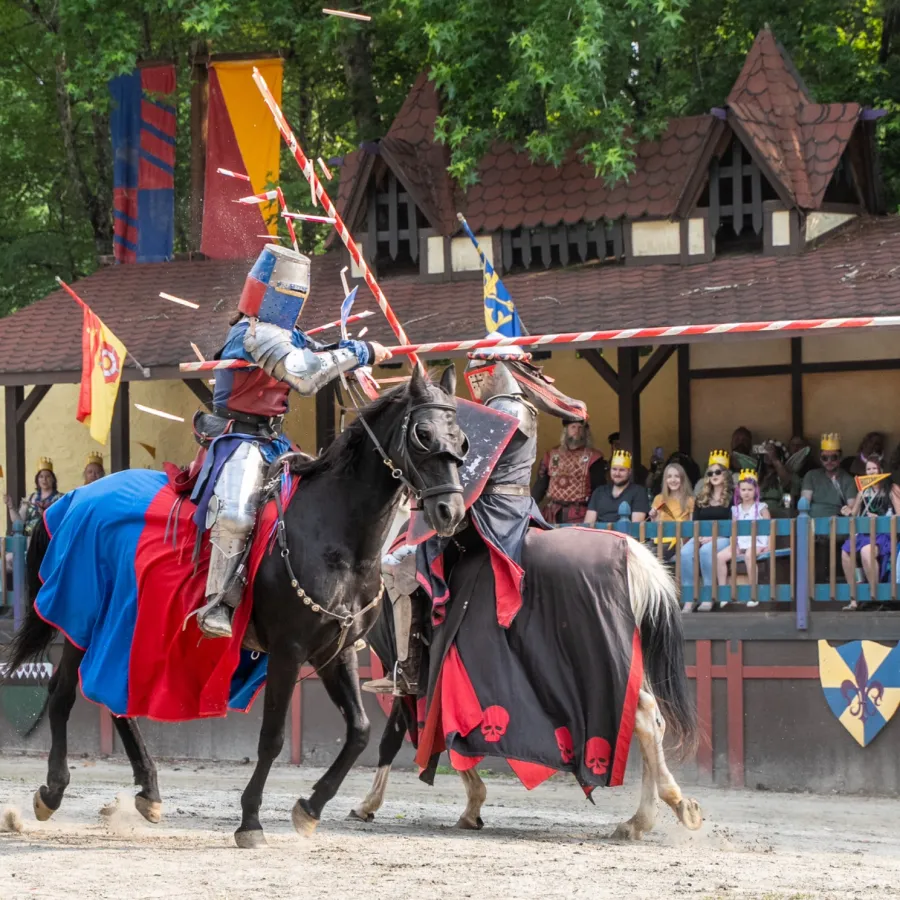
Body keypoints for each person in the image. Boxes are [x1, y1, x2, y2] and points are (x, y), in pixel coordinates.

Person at [189, 245, 391, 639]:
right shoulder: (252, 334)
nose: (291, 301)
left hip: (275, 442)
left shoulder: (288, 335)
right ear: (264, 291)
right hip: (239, 438)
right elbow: (305, 373)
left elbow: (323, 355)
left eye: (297, 294)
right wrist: (361, 350)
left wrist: (356, 359)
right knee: (236, 515)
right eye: (286, 293)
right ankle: (217, 601)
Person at [363, 345, 590, 696]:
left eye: (479, 374)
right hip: (517, 506)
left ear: (495, 371)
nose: (477, 383)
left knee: (400, 568)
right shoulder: (518, 406)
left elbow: (469, 473)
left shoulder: (503, 407)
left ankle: (408, 670)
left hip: (490, 512)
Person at [680, 450, 733, 611]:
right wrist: (701, 536)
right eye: (710, 473)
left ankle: (708, 597)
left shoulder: (733, 496)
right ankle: (690, 598)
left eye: (718, 472)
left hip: (724, 536)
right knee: (684, 552)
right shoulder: (701, 497)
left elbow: (733, 522)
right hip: (701, 535)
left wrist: (713, 537)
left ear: (726, 474)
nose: (714, 475)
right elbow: (695, 521)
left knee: (706, 552)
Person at [841, 456, 897, 610]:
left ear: (881, 470)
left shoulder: (891, 489)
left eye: (874, 468)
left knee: (866, 551)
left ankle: (875, 596)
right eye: (868, 469)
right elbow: (855, 514)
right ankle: (854, 598)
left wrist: (880, 519)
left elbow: (899, 515)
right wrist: (847, 512)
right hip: (865, 533)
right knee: (845, 552)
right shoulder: (863, 491)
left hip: (883, 534)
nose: (871, 471)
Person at [532, 419, 605, 523]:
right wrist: (528, 506)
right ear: (566, 430)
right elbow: (541, 485)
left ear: (585, 432)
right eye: (573, 427)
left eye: (580, 428)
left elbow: (598, 490)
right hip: (553, 513)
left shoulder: (594, 457)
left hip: (580, 514)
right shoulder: (551, 455)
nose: (577, 430)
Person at [715, 469, 770, 606]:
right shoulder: (736, 509)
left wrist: (769, 545)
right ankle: (724, 593)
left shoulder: (762, 507)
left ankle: (753, 594)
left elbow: (770, 528)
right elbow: (734, 530)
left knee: (749, 556)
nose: (746, 492)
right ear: (738, 490)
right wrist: (733, 544)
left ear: (756, 491)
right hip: (741, 543)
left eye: (750, 489)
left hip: (757, 542)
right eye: (743, 489)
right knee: (720, 557)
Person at [583, 450, 649, 525]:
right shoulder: (599, 492)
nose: (617, 473)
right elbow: (588, 524)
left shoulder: (638, 492)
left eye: (622, 470)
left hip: (625, 535)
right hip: (600, 535)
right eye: (614, 469)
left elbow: (635, 527)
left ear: (629, 472)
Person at [801, 434, 857, 519]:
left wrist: (844, 513)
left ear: (840, 458)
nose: (829, 461)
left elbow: (852, 508)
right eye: (825, 458)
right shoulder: (811, 476)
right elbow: (804, 503)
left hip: (836, 524)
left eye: (834, 457)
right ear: (820, 459)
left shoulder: (848, 480)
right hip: (811, 524)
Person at [5, 457, 63, 538]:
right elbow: (19, 522)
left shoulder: (60, 499)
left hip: (48, 539)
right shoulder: (29, 498)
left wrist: (45, 515)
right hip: (29, 540)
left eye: (48, 476)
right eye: (41, 476)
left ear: (53, 479)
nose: (44, 479)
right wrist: (11, 507)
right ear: (37, 480)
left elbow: (61, 523)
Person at [648, 463, 693, 561]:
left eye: (677, 476)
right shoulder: (659, 498)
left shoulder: (690, 500)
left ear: (683, 479)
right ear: (665, 480)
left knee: (653, 556)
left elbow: (692, 526)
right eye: (669, 477)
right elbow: (654, 527)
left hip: (678, 540)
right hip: (659, 538)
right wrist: (653, 517)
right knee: (642, 552)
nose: (673, 480)